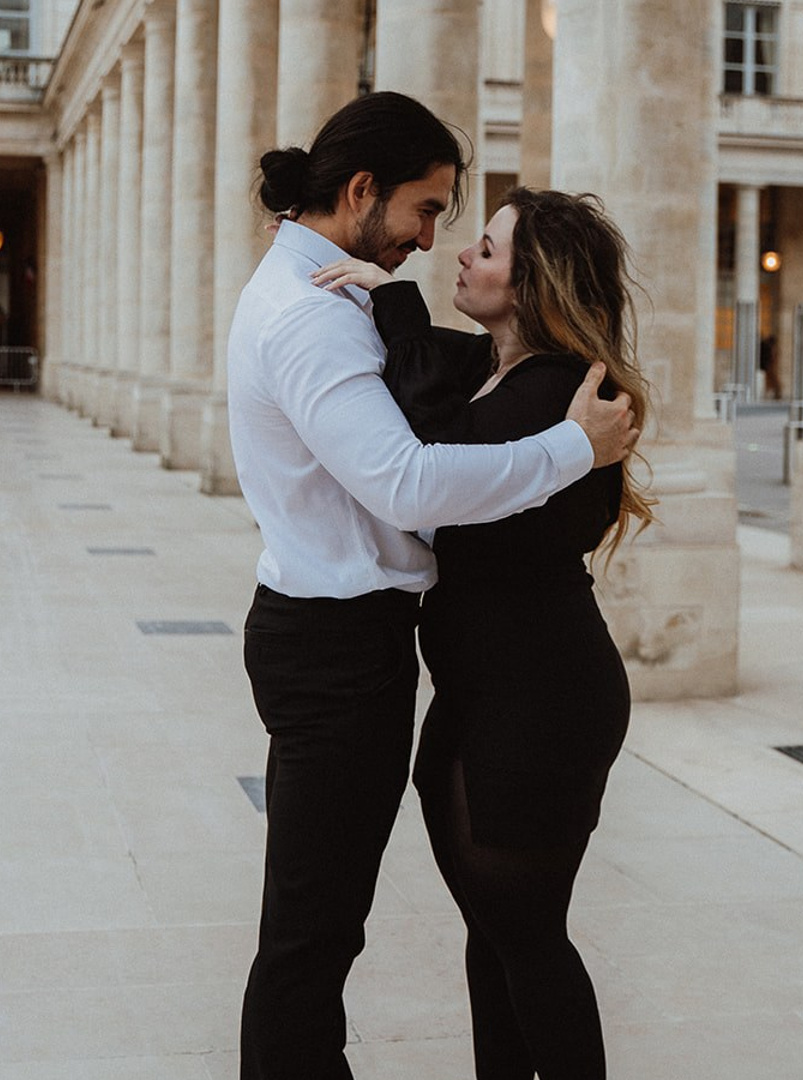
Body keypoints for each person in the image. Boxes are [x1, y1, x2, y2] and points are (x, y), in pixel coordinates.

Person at [225, 92, 639, 1080]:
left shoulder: (525, 374)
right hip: (346, 651)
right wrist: (571, 449)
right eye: (425, 210)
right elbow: (413, 478)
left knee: (467, 930)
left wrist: (388, 297)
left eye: (473, 238)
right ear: (361, 190)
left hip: (497, 684)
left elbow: (434, 409)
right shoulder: (315, 315)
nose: (429, 241)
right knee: (319, 934)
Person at [313, 186, 655, 1079]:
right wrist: (385, 294)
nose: (462, 254)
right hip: (484, 693)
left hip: (541, 701)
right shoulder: (498, 368)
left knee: (527, 937)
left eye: (490, 250)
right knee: (497, 932)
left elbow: (436, 453)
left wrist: (394, 298)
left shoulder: (559, 390)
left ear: (534, 284)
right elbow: (437, 367)